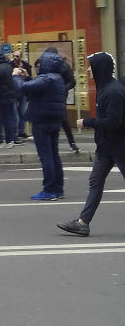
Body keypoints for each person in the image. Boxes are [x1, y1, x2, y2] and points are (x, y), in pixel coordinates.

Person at [57, 52, 125, 236]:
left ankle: (83, 222)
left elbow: (113, 122)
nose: (88, 70)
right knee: (95, 182)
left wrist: (87, 122)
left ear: (100, 68)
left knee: (96, 182)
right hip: (106, 147)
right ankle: (82, 223)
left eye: (91, 66)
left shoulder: (114, 91)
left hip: (120, 147)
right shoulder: (104, 88)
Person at [16, 52, 67, 200]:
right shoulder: (57, 78)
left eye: (41, 63)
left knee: (46, 156)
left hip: (42, 120)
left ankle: (49, 190)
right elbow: (37, 88)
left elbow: (23, 88)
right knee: (54, 154)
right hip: (54, 120)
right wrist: (28, 77)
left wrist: (16, 76)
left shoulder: (46, 78)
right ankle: (58, 188)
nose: (39, 66)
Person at [0, 45, 20, 147]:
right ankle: (11, 138)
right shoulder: (8, 67)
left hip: (1, 96)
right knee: (10, 118)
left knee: (3, 118)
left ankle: (4, 139)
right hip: (11, 95)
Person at [12, 48, 32, 139]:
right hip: (13, 92)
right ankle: (14, 132)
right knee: (14, 113)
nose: (15, 58)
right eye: (14, 56)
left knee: (23, 113)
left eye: (17, 56)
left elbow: (29, 79)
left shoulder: (27, 66)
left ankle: (21, 131)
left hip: (24, 92)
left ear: (21, 57)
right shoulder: (10, 65)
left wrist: (26, 75)